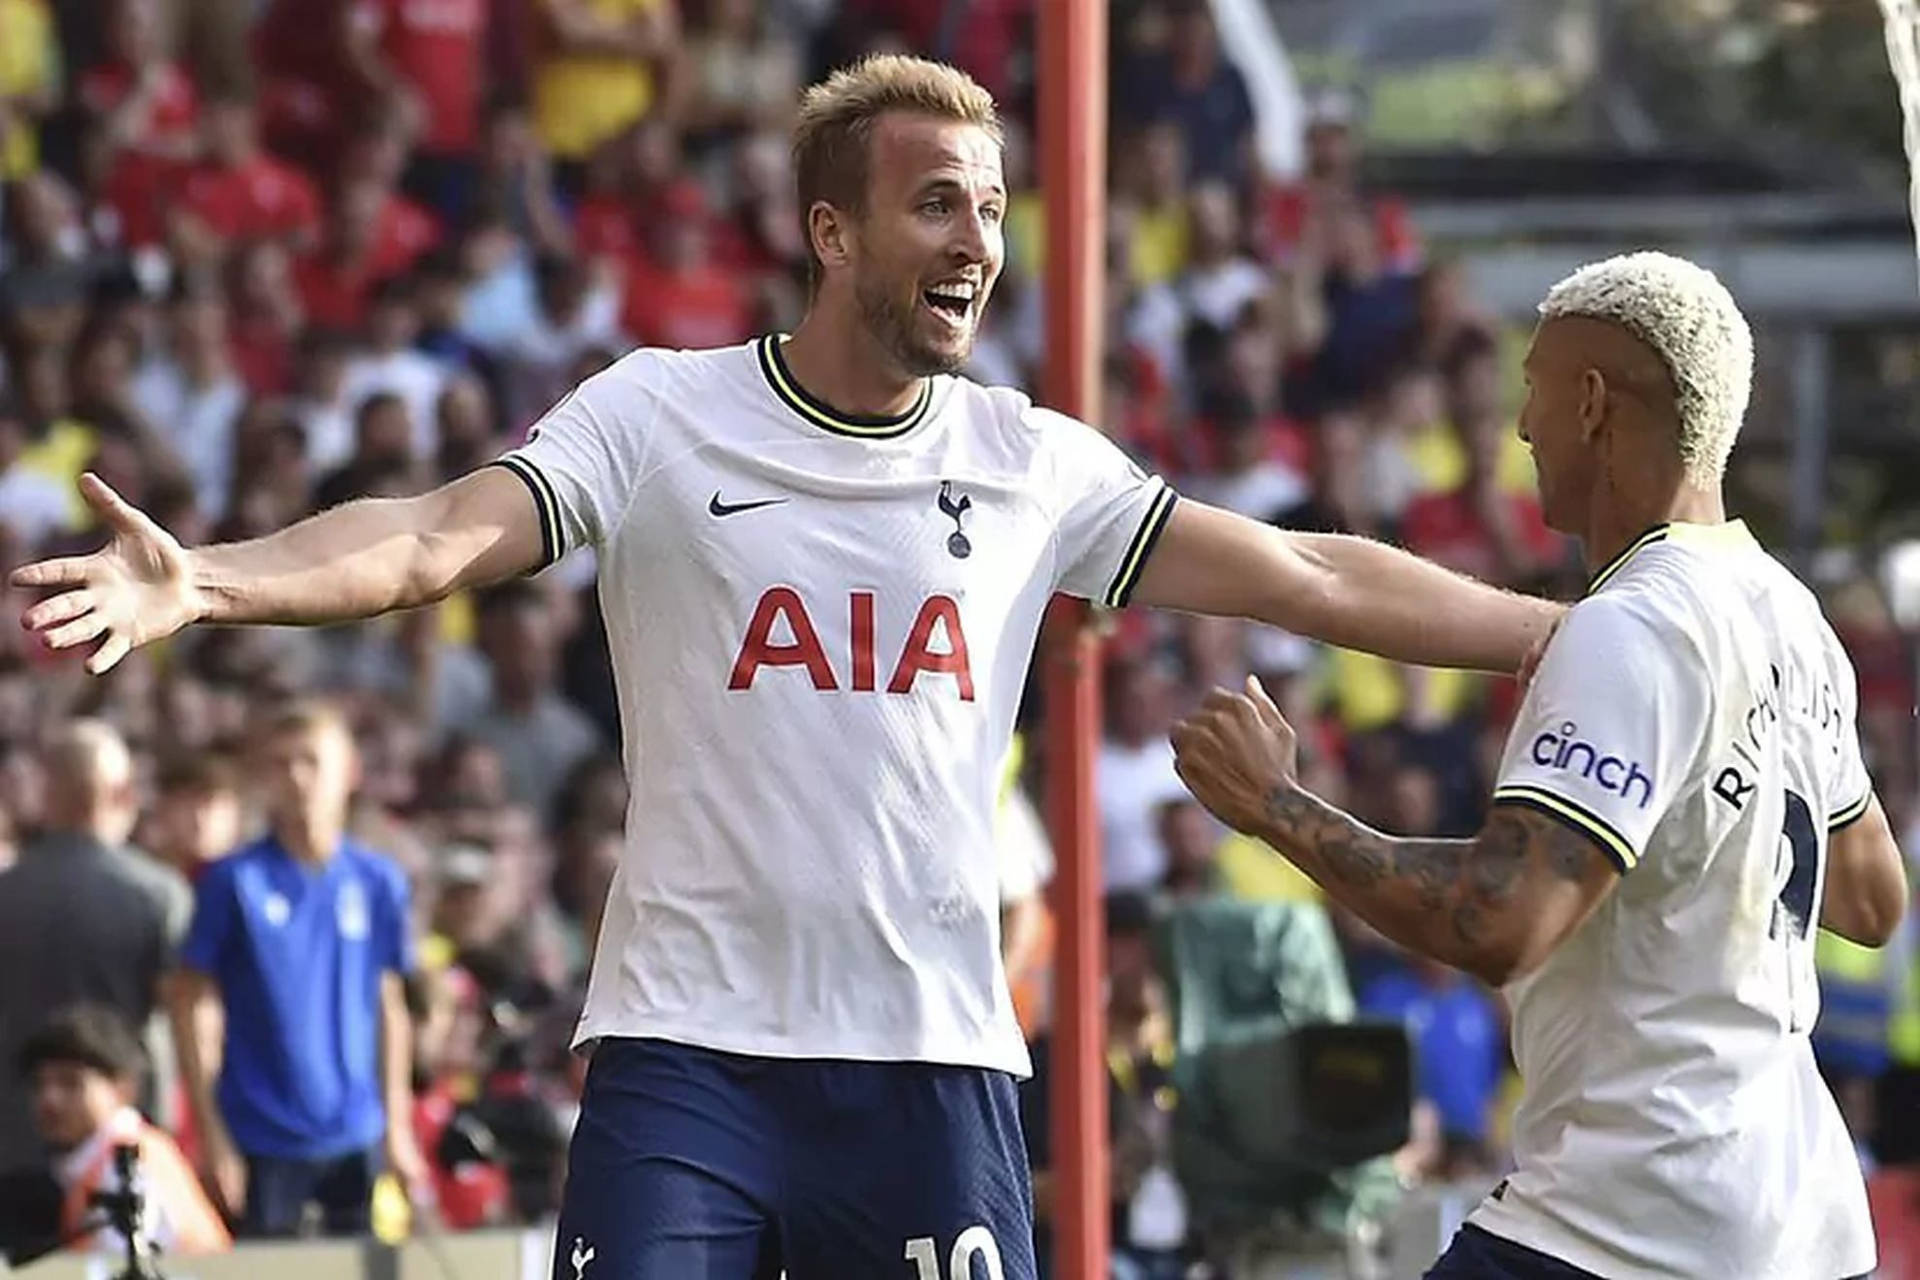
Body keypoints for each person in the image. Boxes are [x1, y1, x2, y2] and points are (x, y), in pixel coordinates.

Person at [14, 55, 1556, 1279]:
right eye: (938, 206)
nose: (979, 243)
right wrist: (207, 580)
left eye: (995, 210)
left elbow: (1309, 569)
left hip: (928, 1060)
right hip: (690, 1052)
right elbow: (431, 536)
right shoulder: (660, 416)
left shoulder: (1031, 462)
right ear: (832, 233)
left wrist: (1562, 632)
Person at [1170, 251, 1908, 1279]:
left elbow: (1497, 919)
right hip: (1804, 1225)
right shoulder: (1792, 618)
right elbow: (1871, 893)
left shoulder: (1630, 628)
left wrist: (1281, 807)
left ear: (1595, 401)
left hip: (1635, 1219)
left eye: (1535, 388)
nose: (1522, 428)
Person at [165, 701, 425, 1238]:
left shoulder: (377, 881)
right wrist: (212, 1133)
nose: (297, 777)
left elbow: (388, 1003)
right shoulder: (234, 881)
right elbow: (190, 1002)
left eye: (311, 761)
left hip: (356, 1131)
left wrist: (397, 1125)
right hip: (261, 1134)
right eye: (281, 763)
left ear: (347, 772)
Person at [0, 720, 191, 1175]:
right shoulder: (158, 894)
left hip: (17, 1138)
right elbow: (186, 1019)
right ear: (123, 794)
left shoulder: (7, 894)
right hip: (125, 1143)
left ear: (47, 797)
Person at [11, 1005, 229, 1260]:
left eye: (70, 1083)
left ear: (123, 1088)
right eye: (40, 1085)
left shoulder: (130, 1165)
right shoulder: (96, 1163)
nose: (50, 1100)